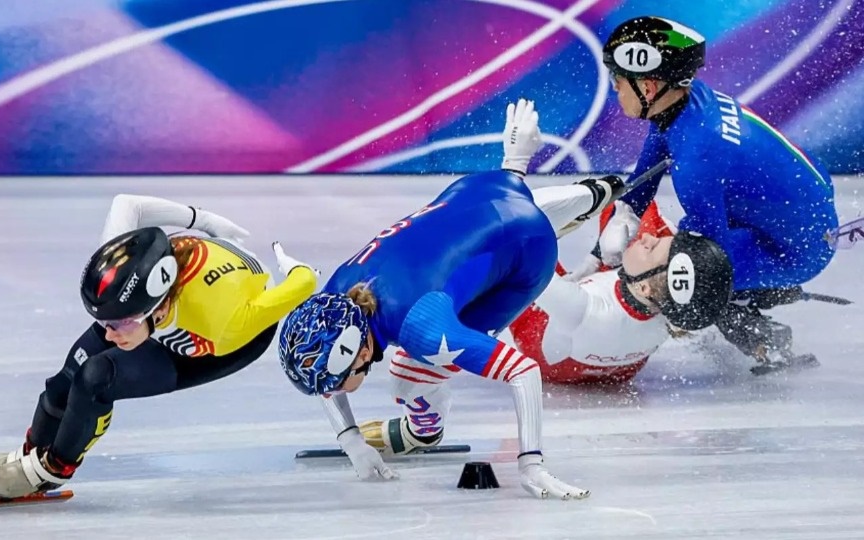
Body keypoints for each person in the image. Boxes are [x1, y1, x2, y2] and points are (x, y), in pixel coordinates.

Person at [277, 99, 628, 500]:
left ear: (361, 353)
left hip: (529, 257)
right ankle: (573, 190)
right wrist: (350, 440)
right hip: (480, 188)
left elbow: (524, 372)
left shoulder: (422, 327)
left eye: (336, 383)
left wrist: (530, 464)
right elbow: (328, 365)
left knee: (407, 375)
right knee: (495, 230)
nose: (332, 390)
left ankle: (421, 432)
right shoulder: (335, 296)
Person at [0, 194, 318, 499]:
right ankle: (31, 453)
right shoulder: (124, 266)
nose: (108, 335)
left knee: (96, 377)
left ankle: (53, 469)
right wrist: (202, 219)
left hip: (225, 341)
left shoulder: (223, 323)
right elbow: (127, 204)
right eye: (105, 323)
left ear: (156, 310)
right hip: (166, 310)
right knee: (64, 382)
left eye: (117, 325)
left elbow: (305, 282)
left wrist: (294, 267)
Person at [593, 15, 838, 372]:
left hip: (794, 251)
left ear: (648, 87)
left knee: (673, 278)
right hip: (807, 211)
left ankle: (758, 332)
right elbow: (646, 172)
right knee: (668, 246)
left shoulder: (696, 161)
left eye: (618, 78)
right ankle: (751, 293)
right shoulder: (687, 104)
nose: (614, 87)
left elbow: (707, 261)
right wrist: (619, 221)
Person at [508, 200, 732, 384]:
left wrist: (595, 256)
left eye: (650, 248)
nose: (648, 238)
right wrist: (600, 259)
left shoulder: (584, 310)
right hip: (623, 370)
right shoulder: (676, 307)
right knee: (633, 206)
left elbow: (518, 256)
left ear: (643, 287)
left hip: (549, 358)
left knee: (518, 239)